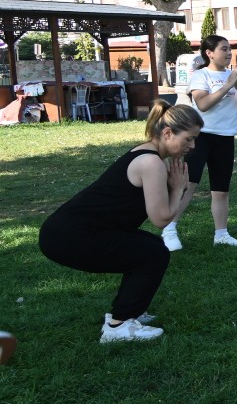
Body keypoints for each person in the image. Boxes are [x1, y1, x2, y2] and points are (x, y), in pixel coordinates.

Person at [40, 101, 203, 343]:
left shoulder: (151, 155)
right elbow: (161, 219)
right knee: (152, 254)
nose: (193, 146)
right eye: (189, 139)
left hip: (73, 231)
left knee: (151, 248)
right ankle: (118, 326)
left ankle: (130, 312)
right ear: (168, 133)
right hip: (69, 236)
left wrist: (175, 188)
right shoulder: (151, 162)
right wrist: (178, 188)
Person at [162, 35, 237, 250]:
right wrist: (227, 86)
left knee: (221, 190)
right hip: (200, 137)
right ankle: (169, 229)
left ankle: (221, 234)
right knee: (188, 184)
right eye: (224, 49)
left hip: (225, 137)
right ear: (209, 53)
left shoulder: (234, 76)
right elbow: (202, 104)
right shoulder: (201, 75)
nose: (228, 53)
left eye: (229, 49)